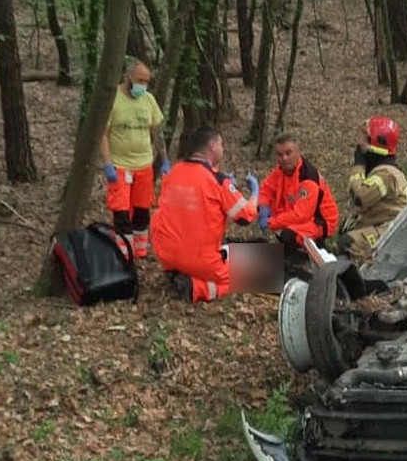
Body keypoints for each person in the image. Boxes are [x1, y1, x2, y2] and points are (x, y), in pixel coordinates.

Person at [150, 125, 261, 303]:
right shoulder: (217, 180)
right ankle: (197, 287)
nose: (222, 149)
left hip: (166, 254)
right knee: (264, 269)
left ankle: (180, 272)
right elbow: (245, 217)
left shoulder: (173, 173)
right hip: (199, 260)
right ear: (212, 145)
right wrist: (255, 193)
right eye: (221, 144)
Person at [100, 59, 169, 259]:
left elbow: (157, 132)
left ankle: (140, 251)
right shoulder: (113, 99)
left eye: (146, 81)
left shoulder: (148, 100)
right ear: (127, 77)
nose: (143, 85)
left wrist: (164, 159)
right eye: (140, 80)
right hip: (120, 166)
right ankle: (124, 253)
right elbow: (102, 133)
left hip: (144, 165)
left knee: (142, 210)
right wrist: (107, 163)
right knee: (121, 212)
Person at [338, 116, 407, 263]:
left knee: (350, 242)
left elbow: (360, 197)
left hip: (394, 231)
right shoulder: (379, 169)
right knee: (347, 228)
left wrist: (358, 165)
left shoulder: (387, 174)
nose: (359, 144)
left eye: (364, 139)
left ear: (376, 144)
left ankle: (364, 276)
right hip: (381, 223)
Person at [257, 133, 339, 253]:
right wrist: (263, 206)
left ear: (297, 151)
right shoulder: (281, 170)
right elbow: (266, 189)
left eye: (288, 153)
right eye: (280, 155)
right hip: (296, 211)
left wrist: (271, 222)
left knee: (288, 235)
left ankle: (311, 250)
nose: (284, 158)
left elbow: (301, 215)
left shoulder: (308, 178)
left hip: (320, 220)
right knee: (266, 211)